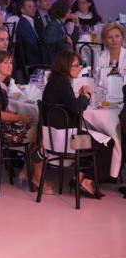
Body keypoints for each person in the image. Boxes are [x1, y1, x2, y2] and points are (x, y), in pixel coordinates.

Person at [42, 51, 112, 194]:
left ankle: (78, 178)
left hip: (55, 135)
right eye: (75, 65)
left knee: (97, 141)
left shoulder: (55, 80)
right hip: (67, 139)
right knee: (107, 143)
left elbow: (70, 104)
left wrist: (80, 97)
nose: (79, 68)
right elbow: (77, 108)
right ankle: (86, 181)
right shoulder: (62, 82)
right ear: (64, 66)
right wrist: (85, 96)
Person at [0, 51, 46, 191]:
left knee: (37, 129)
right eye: (5, 63)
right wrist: (20, 117)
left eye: (11, 62)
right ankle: (34, 176)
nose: (10, 66)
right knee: (40, 133)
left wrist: (14, 114)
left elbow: (1, 111)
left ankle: (26, 172)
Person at [43, 0, 79, 64]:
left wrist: (76, 25)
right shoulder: (54, 24)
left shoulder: (60, 24)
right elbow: (47, 39)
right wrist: (65, 38)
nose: (70, 11)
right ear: (63, 11)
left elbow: (73, 40)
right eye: (68, 9)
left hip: (63, 58)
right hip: (56, 61)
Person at [15, 0, 43, 67]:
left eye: (34, 6)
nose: (33, 9)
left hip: (33, 60)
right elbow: (32, 45)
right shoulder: (23, 24)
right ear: (22, 10)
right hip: (31, 62)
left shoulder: (29, 21)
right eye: (30, 7)